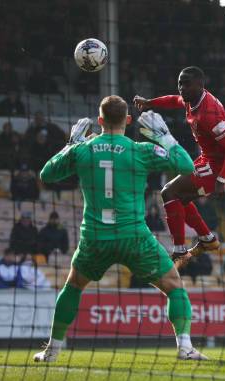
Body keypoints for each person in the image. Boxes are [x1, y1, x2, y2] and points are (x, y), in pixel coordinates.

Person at [33, 95, 207, 362]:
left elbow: (46, 175)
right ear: (128, 120)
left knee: (73, 287)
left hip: (95, 238)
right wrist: (165, 137)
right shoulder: (141, 151)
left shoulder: (84, 150)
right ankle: (185, 347)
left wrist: (71, 144)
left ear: (100, 120)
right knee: (174, 285)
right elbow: (186, 167)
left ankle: (52, 351)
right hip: (134, 237)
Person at [133, 66, 225, 265]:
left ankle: (180, 251)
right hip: (207, 159)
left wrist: (221, 180)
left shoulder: (210, 115)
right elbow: (175, 100)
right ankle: (207, 240)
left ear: (200, 85)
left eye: (186, 84)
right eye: (180, 84)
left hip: (220, 166)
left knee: (168, 192)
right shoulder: (192, 99)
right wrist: (150, 103)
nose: (181, 88)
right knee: (177, 199)